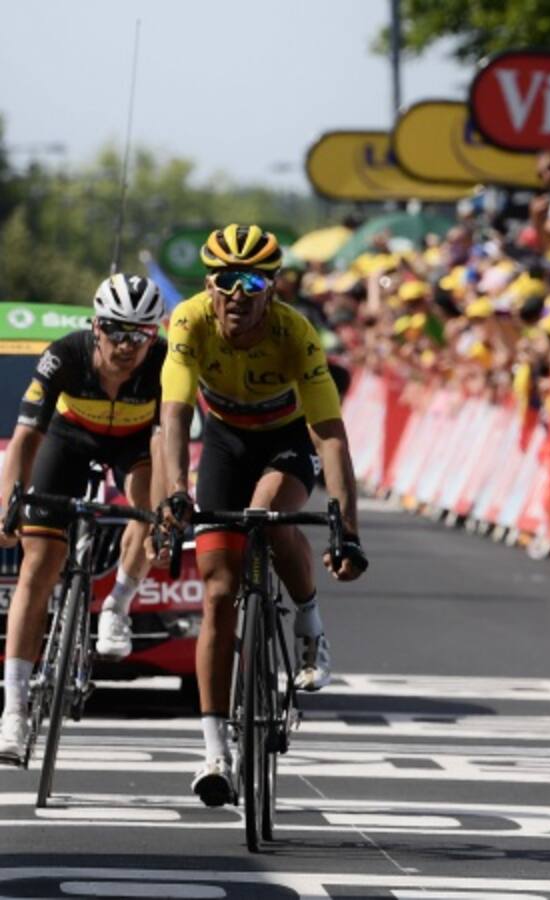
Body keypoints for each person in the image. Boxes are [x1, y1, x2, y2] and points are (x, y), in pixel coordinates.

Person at [158, 225, 368, 807]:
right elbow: (174, 413)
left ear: (272, 289)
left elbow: (330, 436)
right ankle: (213, 753)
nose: (238, 294)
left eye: (253, 281)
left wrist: (346, 529)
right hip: (223, 441)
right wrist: (176, 491)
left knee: (264, 514)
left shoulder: (296, 334)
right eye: (227, 281)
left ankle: (309, 622)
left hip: (283, 440)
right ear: (209, 285)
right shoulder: (190, 321)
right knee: (218, 594)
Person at [0, 274, 166, 762]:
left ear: (153, 335)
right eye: (116, 330)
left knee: (147, 502)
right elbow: (25, 437)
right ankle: (13, 710)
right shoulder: (64, 355)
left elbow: (167, 436)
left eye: (140, 334)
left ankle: (117, 604)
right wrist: (10, 503)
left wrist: (167, 504)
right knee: (39, 563)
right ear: (96, 326)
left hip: (135, 444)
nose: (126, 345)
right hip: (69, 438)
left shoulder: (163, 363)